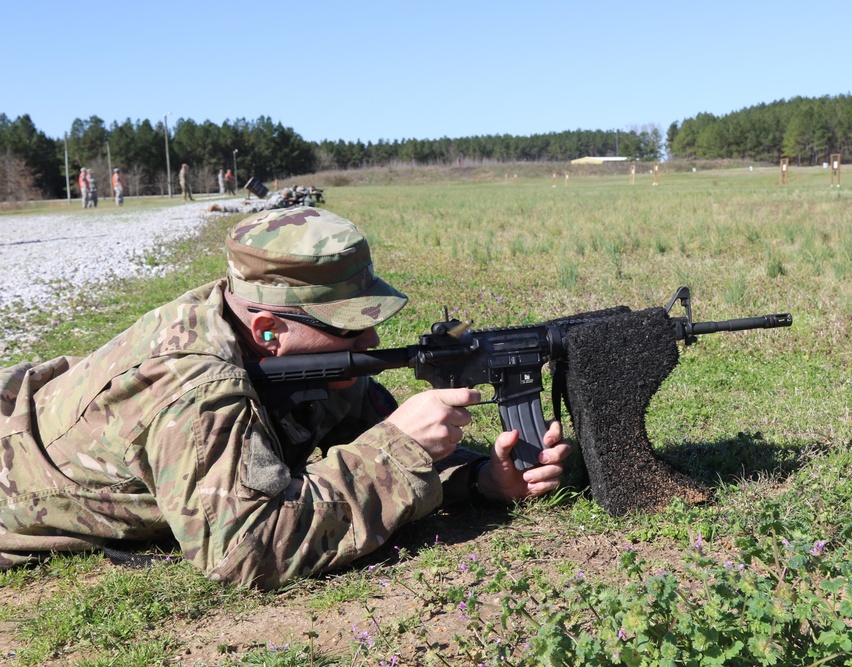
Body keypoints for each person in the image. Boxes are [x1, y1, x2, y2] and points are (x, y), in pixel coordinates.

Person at [0, 207, 571, 590]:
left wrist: (476, 481)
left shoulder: (287, 353)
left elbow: (359, 439)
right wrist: (399, 447)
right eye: (347, 326)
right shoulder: (193, 391)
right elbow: (246, 548)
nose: (369, 340)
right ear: (270, 329)